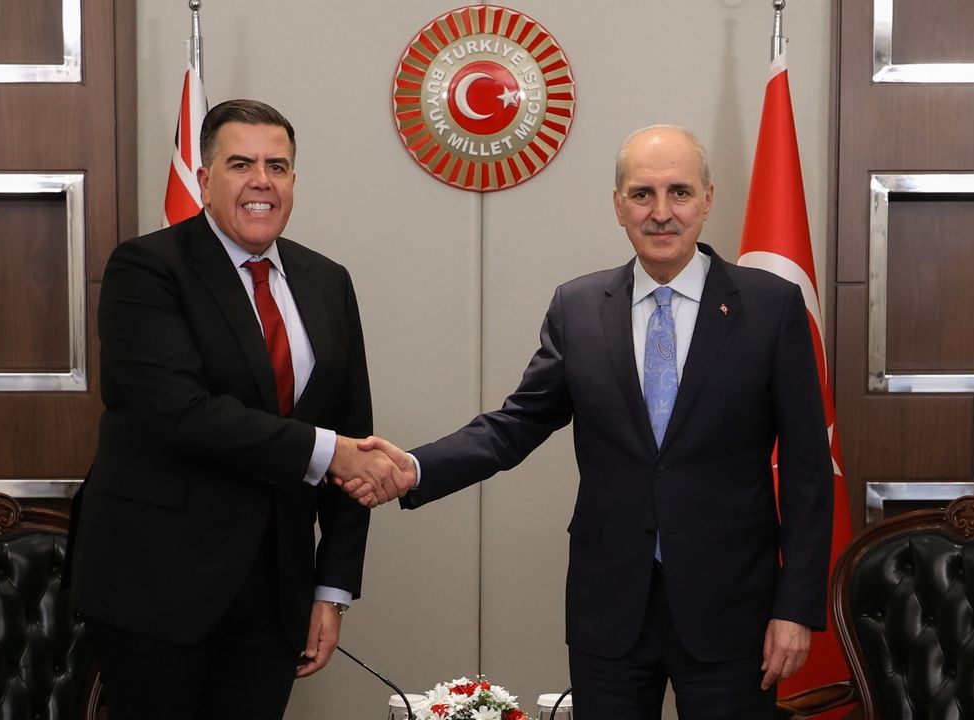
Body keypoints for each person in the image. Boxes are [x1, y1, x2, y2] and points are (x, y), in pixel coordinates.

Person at [345, 125, 833, 719]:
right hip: (611, 609)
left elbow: (808, 470)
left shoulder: (771, 306)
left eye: (679, 192)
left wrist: (795, 608)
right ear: (618, 205)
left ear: (707, 199)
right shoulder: (578, 308)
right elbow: (516, 424)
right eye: (642, 194)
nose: (661, 212)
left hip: (734, 608)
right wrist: (415, 468)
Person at [66, 99, 407, 719]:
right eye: (241, 164)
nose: (261, 181)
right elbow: (183, 412)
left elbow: (352, 437)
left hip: (274, 594)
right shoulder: (147, 268)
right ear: (204, 179)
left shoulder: (327, 281)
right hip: (155, 585)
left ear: (294, 181)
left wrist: (331, 589)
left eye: (277, 166)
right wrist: (330, 452)